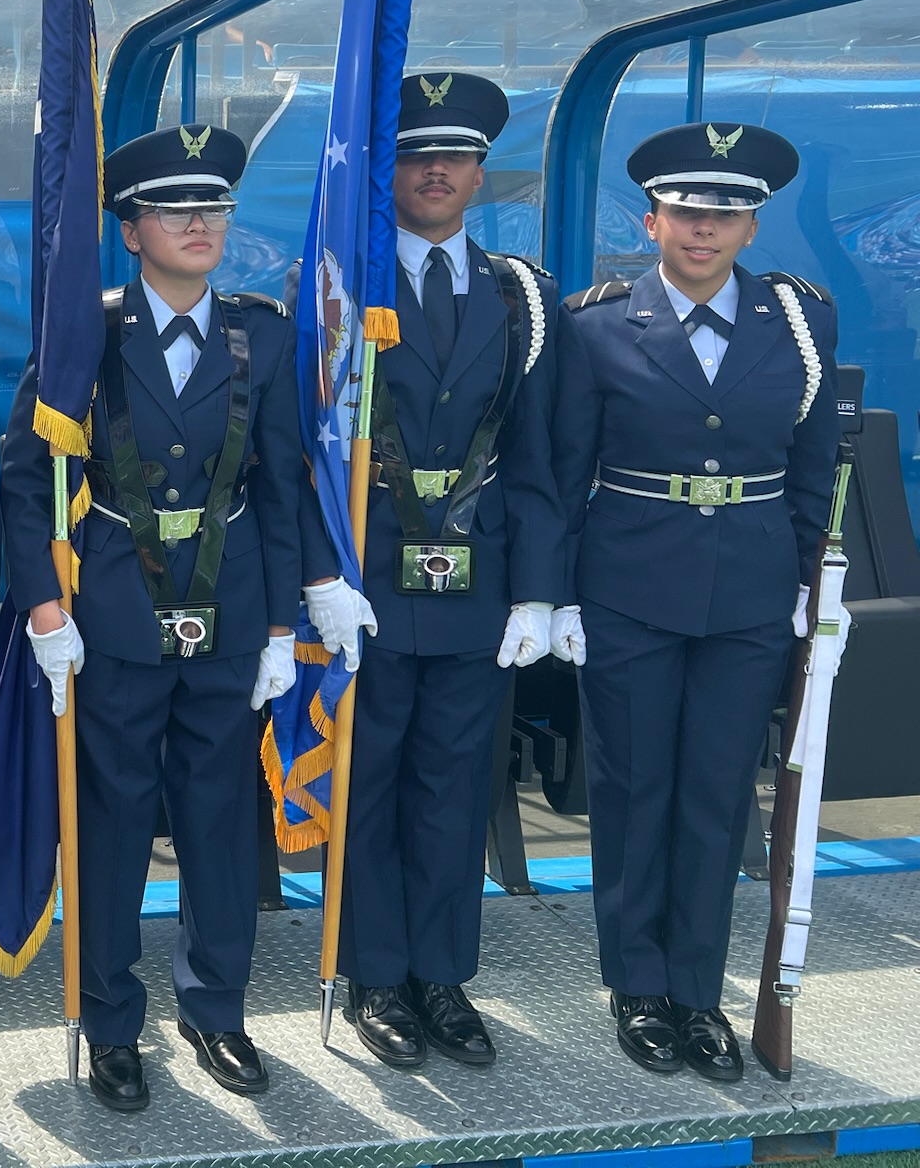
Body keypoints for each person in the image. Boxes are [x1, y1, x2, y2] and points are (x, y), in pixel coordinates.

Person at [1, 127, 365, 1112]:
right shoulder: (84, 335)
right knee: (113, 825)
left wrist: (288, 620)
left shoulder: (260, 334)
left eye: (211, 207)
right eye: (172, 209)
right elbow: (22, 481)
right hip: (114, 612)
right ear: (129, 230)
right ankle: (112, 1021)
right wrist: (43, 607)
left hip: (232, 607)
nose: (197, 223)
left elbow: (285, 487)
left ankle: (216, 1011)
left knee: (213, 819)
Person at [555, 123, 840, 1085]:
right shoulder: (594, 325)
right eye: (686, 211)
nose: (704, 229)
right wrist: (551, 598)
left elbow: (810, 463)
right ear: (652, 221)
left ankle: (696, 992)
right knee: (635, 791)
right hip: (630, 585)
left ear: (752, 227)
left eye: (725, 213)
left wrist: (801, 579)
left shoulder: (797, 323)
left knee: (719, 797)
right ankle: (638, 989)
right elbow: (562, 474)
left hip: (751, 593)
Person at [336, 74, 568, 1071]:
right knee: (370, 781)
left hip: (475, 586)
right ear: (384, 170)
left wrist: (538, 590)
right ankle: (374, 977)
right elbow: (307, 450)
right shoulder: (337, 285)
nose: (434, 171)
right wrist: (318, 579)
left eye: (453, 157)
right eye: (413, 155)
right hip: (371, 585)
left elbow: (539, 455)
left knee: (452, 786)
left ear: (478, 173)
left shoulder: (520, 296)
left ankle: (441, 975)